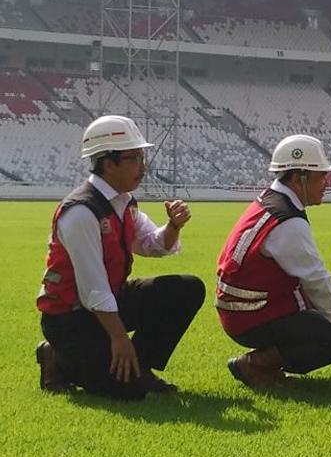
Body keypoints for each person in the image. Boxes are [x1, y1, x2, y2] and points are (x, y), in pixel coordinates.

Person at [35, 115, 205, 400]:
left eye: (142, 156)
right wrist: (119, 338)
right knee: (128, 392)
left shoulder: (123, 201)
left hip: (105, 301)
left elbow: (153, 244)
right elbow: (92, 289)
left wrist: (173, 227)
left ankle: (141, 367)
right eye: (135, 158)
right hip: (71, 316)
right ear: (108, 163)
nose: (143, 165)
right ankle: (58, 357)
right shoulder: (80, 212)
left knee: (186, 288)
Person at [217, 135, 331, 389]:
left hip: (241, 310)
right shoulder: (288, 221)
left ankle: (265, 363)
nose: (325, 183)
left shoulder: (273, 203)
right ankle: (255, 364)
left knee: (329, 319)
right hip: (251, 315)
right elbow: (317, 280)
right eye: (321, 176)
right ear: (299, 178)